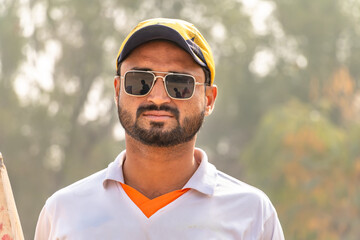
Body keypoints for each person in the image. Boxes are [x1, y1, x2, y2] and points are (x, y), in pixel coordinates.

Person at [35, 18, 285, 239]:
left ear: (208, 99)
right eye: (139, 81)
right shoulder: (63, 212)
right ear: (117, 90)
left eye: (179, 83)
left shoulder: (252, 214)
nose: (157, 98)